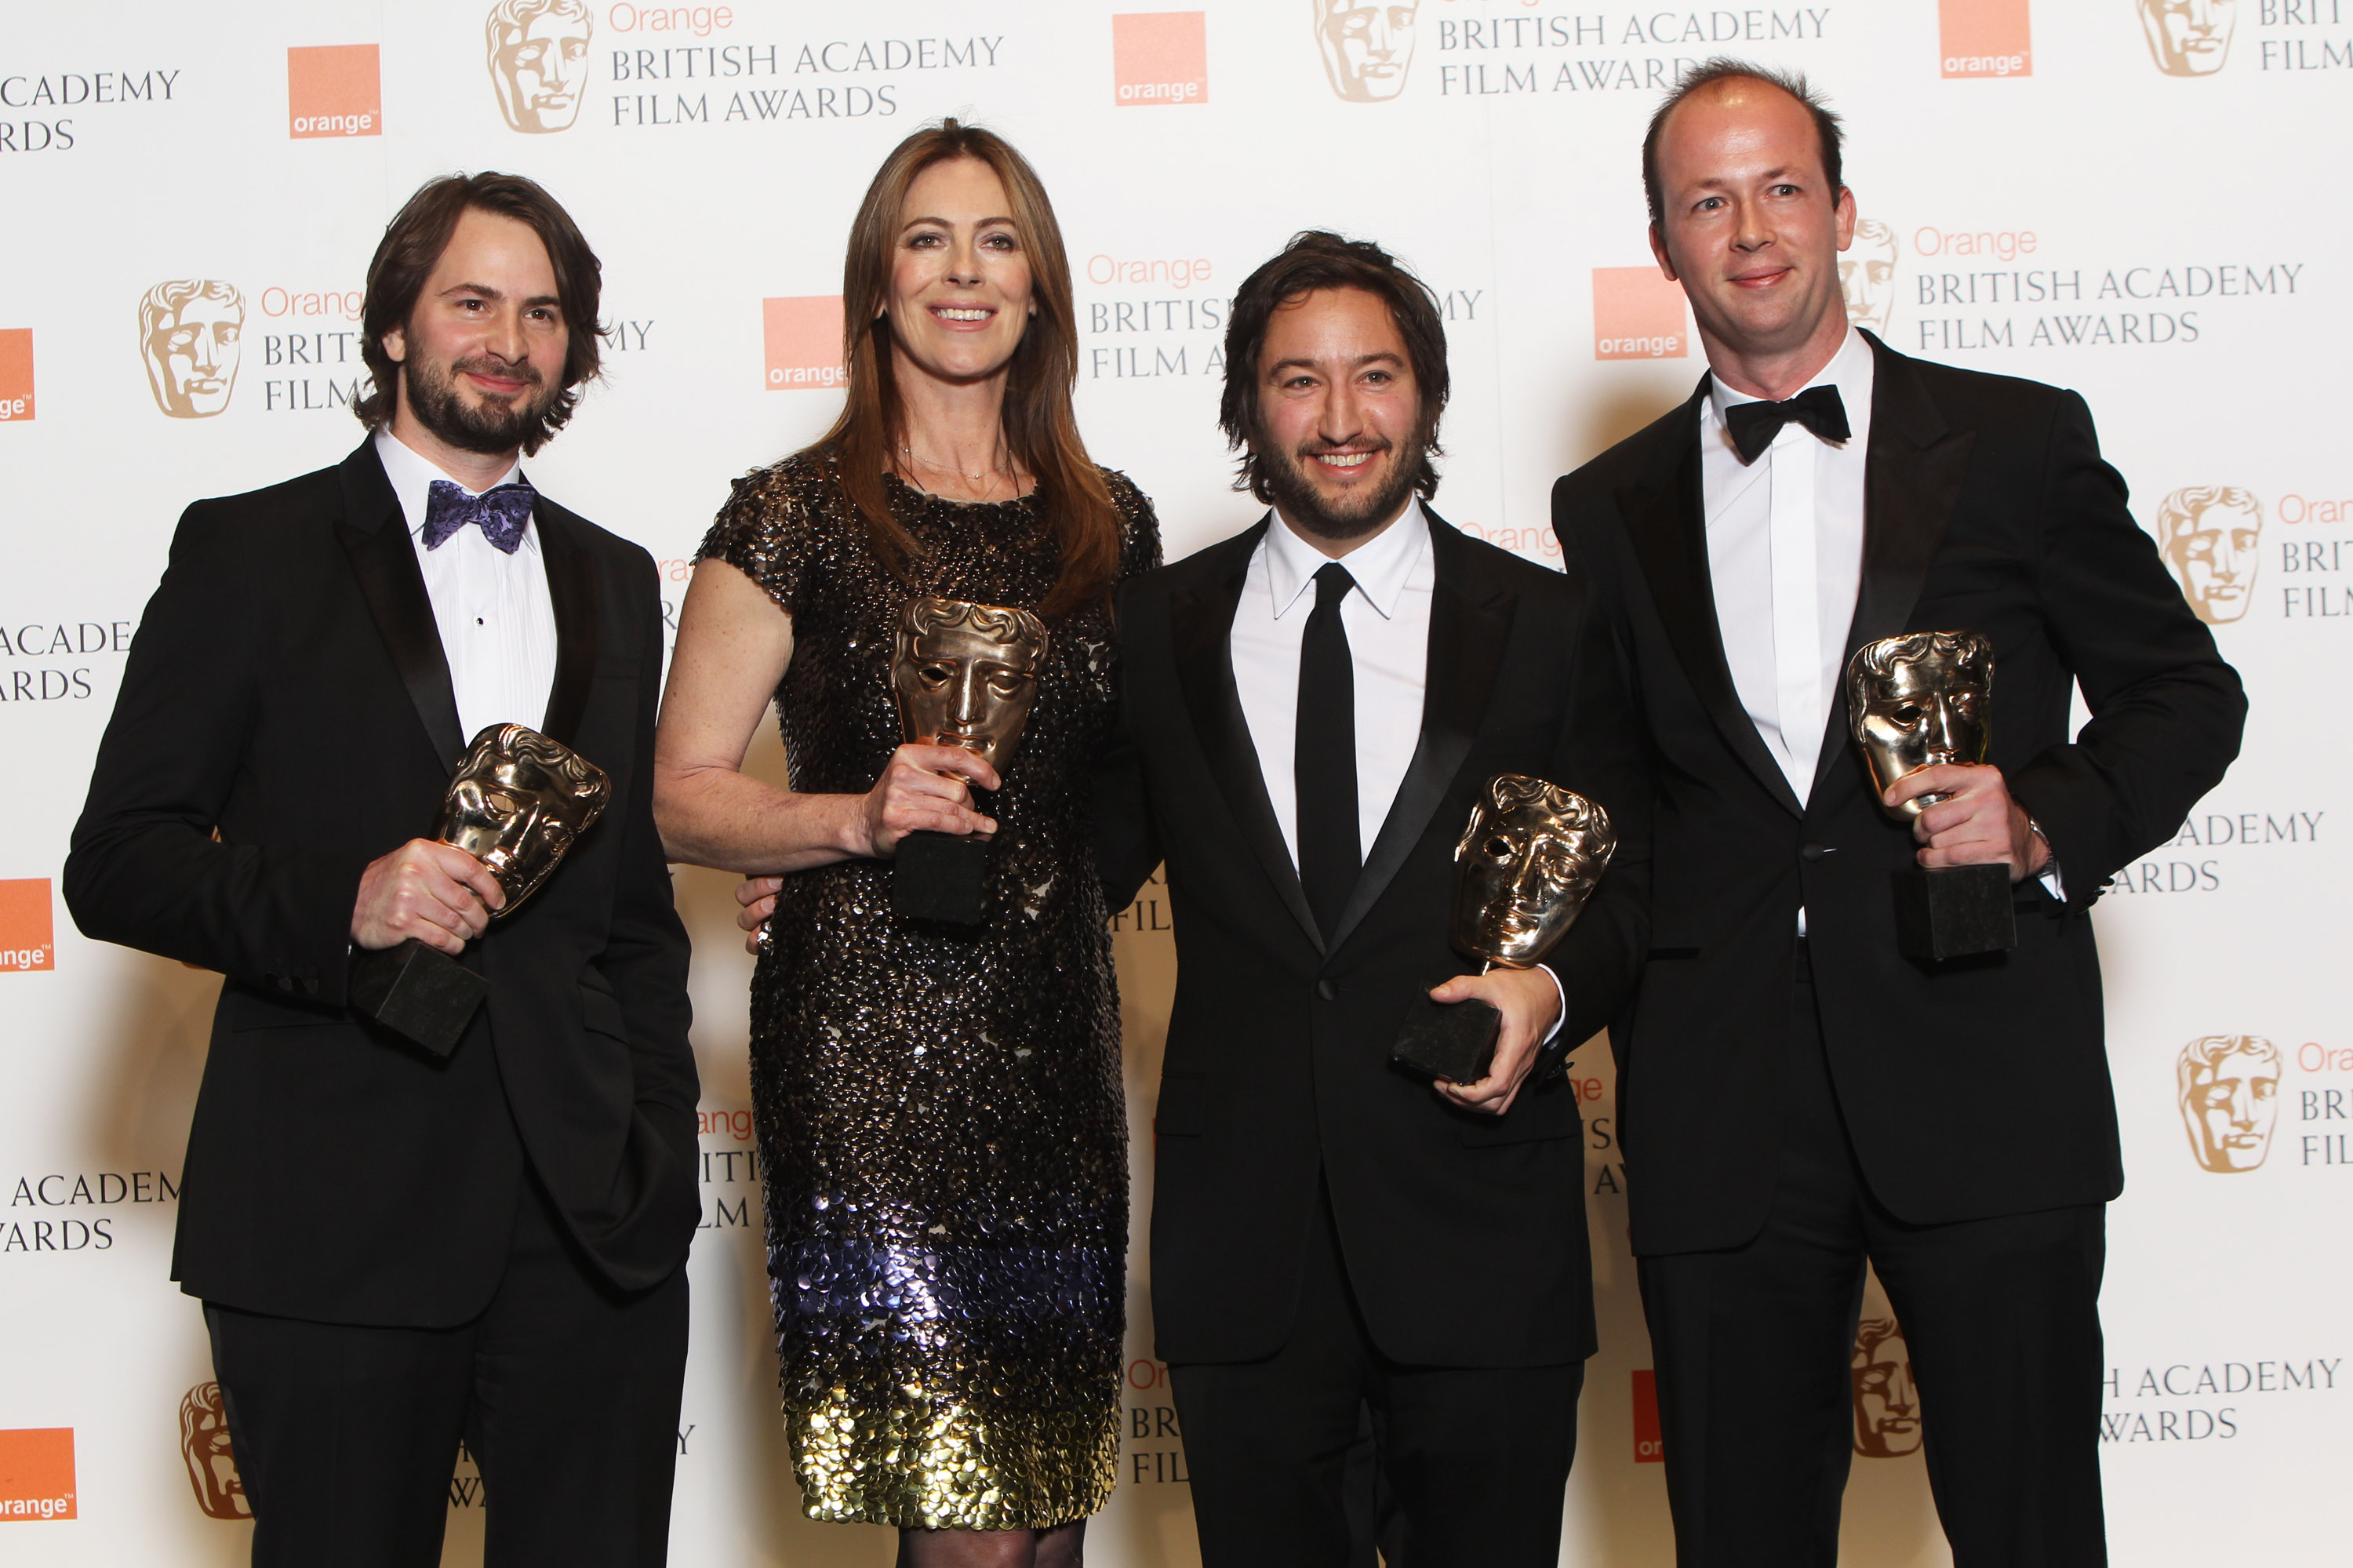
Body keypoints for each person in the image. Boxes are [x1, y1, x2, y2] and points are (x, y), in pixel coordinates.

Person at [1551, 60, 2246, 1565]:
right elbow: (1621, 810)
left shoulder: (2016, 439)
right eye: (1708, 201)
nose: (1752, 230)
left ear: (1845, 209)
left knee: (2030, 1528)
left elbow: (2189, 696)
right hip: (1722, 1110)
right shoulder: (1602, 508)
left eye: (1784, 187)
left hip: (1983, 1068)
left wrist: (2044, 818)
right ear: (1662, 246)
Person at [66, 171, 698, 1566]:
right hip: (330, 1217)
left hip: (590, 1223)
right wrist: (342, 903)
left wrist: (654, 1149)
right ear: (397, 325)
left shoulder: (614, 579)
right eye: (472, 301)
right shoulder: (249, 551)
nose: (509, 339)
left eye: (544, 313)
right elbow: (117, 863)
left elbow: (636, 913)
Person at [1093, 231, 1650, 1568]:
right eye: (1298, 380)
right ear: (1247, 406)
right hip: (1246, 1253)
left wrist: (1552, 991)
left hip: (1481, 1239)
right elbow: (1071, 874)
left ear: (1429, 396)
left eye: (1376, 376)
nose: (1340, 419)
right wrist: (838, 879)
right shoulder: (1152, 631)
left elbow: (1640, 896)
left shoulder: (1550, 625)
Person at [653, 121, 1158, 1568]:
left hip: (1055, 1041)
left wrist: (1044, 901)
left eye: (998, 241)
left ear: (1041, 285)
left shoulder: (1106, 523)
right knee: (968, 1527)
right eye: (928, 239)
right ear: (878, 281)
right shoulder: (796, 513)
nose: (963, 271)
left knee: (1048, 1505)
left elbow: (1129, 795)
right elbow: (682, 792)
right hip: (870, 1049)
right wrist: (844, 827)